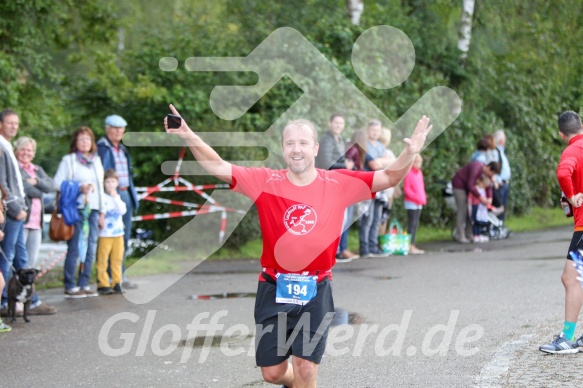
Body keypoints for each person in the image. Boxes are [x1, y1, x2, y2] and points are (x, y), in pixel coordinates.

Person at [164, 104, 432, 388]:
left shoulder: (338, 182)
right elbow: (218, 166)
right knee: (273, 373)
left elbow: (388, 177)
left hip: (316, 289)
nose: (296, 149)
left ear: (315, 148)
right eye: (290, 143)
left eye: (303, 143)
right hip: (274, 286)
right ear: (282, 148)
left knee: (306, 369)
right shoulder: (265, 181)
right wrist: (188, 134)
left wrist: (410, 152)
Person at [0, 109, 56, 316]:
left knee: (22, 260)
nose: (14, 126)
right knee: (9, 259)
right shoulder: (2, 148)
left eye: (16, 123)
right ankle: (6, 302)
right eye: (9, 123)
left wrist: (36, 186)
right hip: (13, 213)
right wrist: (17, 208)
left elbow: (50, 186)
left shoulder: (6, 147)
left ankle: (28, 301)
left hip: (24, 215)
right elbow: (4, 183)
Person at [539, 111, 583, 353]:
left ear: (561, 134)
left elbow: (563, 172)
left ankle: (566, 339)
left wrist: (571, 195)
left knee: (571, 278)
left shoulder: (572, 151)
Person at [54, 126, 105, 298]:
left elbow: (101, 188)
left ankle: (83, 283)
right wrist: (78, 187)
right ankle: (70, 285)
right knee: (75, 247)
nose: (85, 142)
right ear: (75, 143)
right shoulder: (68, 160)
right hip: (76, 210)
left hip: (94, 209)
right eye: (81, 139)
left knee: (91, 247)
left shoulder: (96, 161)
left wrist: (103, 211)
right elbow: (57, 183)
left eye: (88, 139)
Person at [97, 114, 139, 289]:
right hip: (109, 196)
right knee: (107, 239)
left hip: (124, 194)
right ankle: (106, 278)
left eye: (121, 129)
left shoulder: (122, 149)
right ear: (107, 129)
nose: (118, 132)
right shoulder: (102, 148)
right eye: (114, 128)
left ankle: (119, 277)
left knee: (123, 237)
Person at [315, 113, 357, 261]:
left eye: (341, 123)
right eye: (336, 123)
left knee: (342, 218)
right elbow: (326, 163)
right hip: (326, 183)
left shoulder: (338, 139)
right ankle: (332, 251)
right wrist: (344, 165)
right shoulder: (326, 139)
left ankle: (337, 250)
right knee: (332, 219)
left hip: (337, 183)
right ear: (329, 123)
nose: (339, 126)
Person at [15, 137, 55, 268]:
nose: (26, 153)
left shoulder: (37, 170)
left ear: (33, 153)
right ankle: (13, 288)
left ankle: (27, 288)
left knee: (31, 261)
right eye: (23, 149)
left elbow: (50, 186)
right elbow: (24, 188)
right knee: (18, 259)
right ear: (16, 151)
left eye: (29, 150)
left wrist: (37, 182)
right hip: (22, 219)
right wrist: (40, 190)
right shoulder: (15, 168)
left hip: (36, 222)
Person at [359, 120, 395, 257]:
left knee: (377, 218)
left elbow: (390, 162)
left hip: (380, 188)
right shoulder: (364, 145)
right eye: (373, 130)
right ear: (368, 130)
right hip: (368, 185)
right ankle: (364, 248)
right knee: (367, 218)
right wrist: (381, 161)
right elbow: (374, 165)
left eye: (378, 131)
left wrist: (381, 161)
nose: (375, 133)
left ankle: (373, 247)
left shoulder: (381, 146)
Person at [451, 161, 500, 243]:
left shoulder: (487, 174)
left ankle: (469, 234)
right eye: (492, 173)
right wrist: (481, 197)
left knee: (472, 211)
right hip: (459, 185)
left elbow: (488, 186)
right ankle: (460, 235)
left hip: (469, 188)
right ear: (488, 167)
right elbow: (470, 184)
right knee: (463, 210)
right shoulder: (476, 167)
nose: (491, 175)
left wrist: (489, 198)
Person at [96, 169, 127, 295]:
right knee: (103, 259)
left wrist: (115, 197)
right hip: (105, 234)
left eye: (113, 181)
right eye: (107, 182)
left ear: (117, 183)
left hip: (118, 233)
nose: (110, 184)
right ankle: (103, 283)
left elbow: (123, 210)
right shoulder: (101, 197)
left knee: (117, 259)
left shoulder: (117, 197)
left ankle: (117, 282)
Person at [403, 154, 426, 254]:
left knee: (415, 224)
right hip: (411, 202)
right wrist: (417, 198)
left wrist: (423, 198)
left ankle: (412, 244)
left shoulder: (419, 173)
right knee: (411, 224)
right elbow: (407, 189)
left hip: (419, 202)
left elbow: (421, 187)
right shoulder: (409, 172)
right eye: (416, 161)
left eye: (420, 161)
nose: (418, 164)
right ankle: (410, 245)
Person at [377, 128, 398, 236]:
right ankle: (380, 239)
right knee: (384, 215)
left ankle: (375, 241)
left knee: (376, 216)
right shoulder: (388, 153)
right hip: (387, 189)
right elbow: (397, 169)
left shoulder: (374, 151)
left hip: (377, 187)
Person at [492, 130, 511, 221]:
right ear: (501, 141)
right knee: (499, 207)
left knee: (503, 206)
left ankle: (500, 227)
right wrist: (497, 180)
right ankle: (496, 227)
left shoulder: (501, 151)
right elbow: (494, 167)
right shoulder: (495, 152)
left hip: (505, 183)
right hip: (500, 183)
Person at [468, 175, 491, 243]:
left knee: (480, 222)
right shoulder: (475, 189)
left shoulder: (482, 190)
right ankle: (475, 235)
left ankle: (479, 234)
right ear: (480, 182)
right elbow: (470, 199)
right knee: (475, 222)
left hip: (481, 208)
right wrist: (469, 207)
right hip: (475, 206)